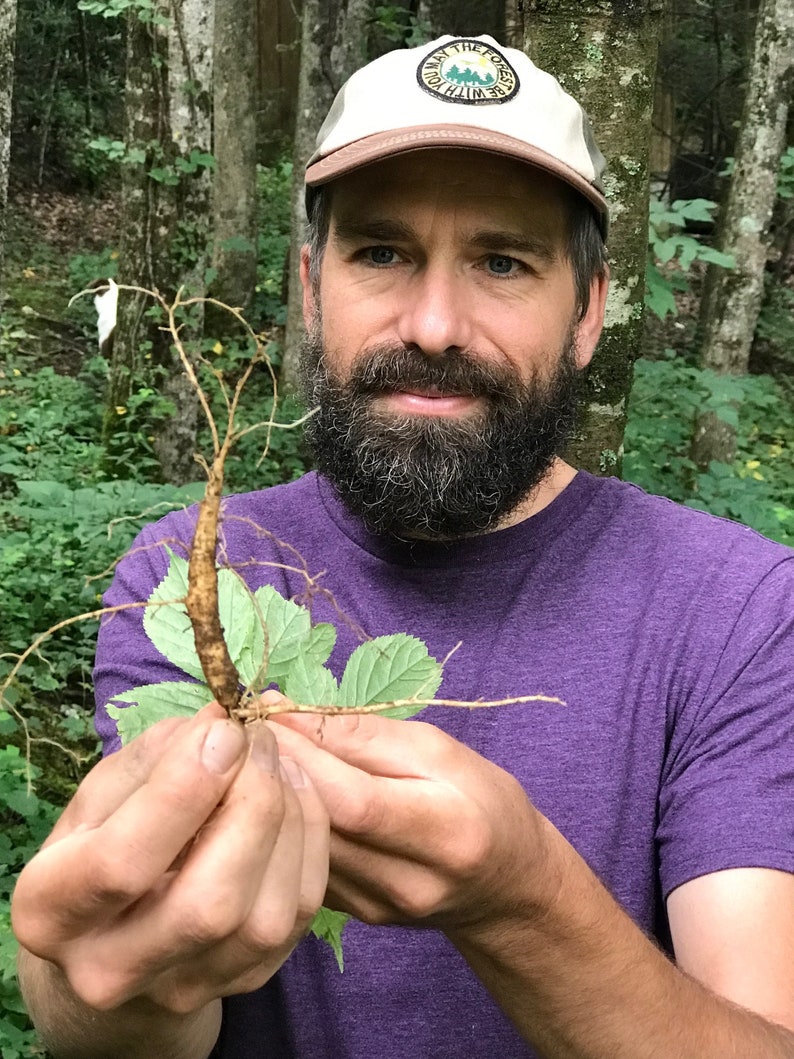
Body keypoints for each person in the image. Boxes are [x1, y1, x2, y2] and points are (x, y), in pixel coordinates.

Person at [12, 34, 794, 1059]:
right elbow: (124, 1019)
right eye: (379, 253)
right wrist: (102, 992)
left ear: (588, 312)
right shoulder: (182, 576)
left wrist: (523, 901)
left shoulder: (737, 607)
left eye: (502, 261)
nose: (431, 324)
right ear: (309, 288)